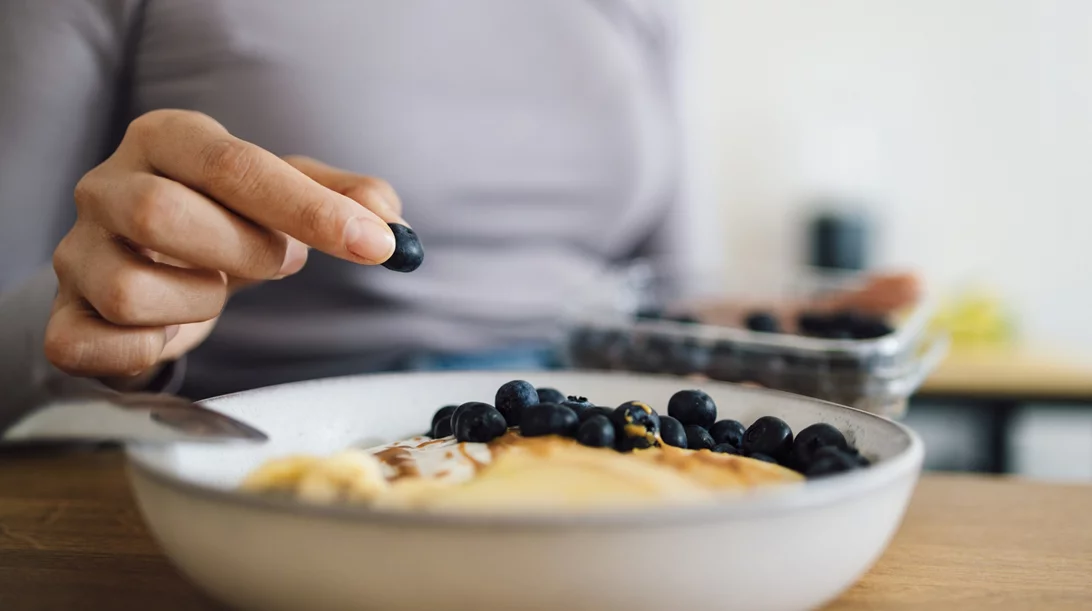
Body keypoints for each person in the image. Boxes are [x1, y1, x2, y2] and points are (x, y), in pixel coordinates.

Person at [0, 1, 914, 425]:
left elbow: (660, 301)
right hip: (252, 453)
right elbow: (16, 317)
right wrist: (113, 312)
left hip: (581, 448)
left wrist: (773, 333)